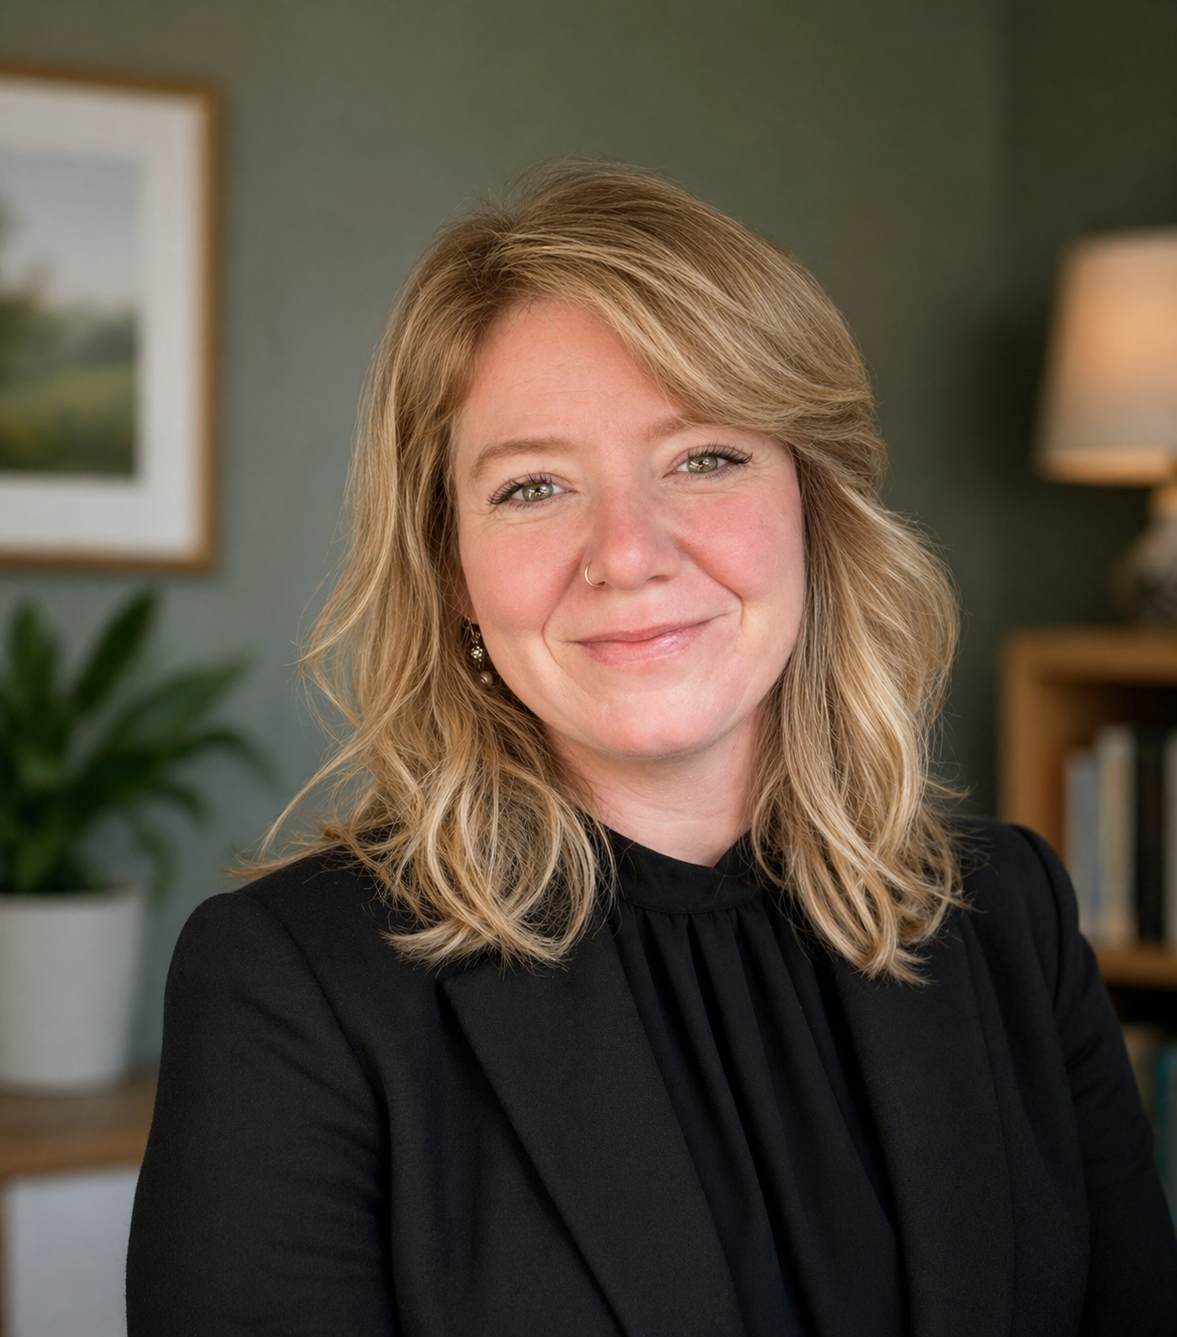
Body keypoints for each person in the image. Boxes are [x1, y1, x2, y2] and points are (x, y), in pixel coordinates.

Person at [126, 166, 1177, 1337]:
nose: (627, 552)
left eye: (704, 457)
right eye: (532, 486)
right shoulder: (292, 987)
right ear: (452, 568)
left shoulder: (1009, 915)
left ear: (813, 502)